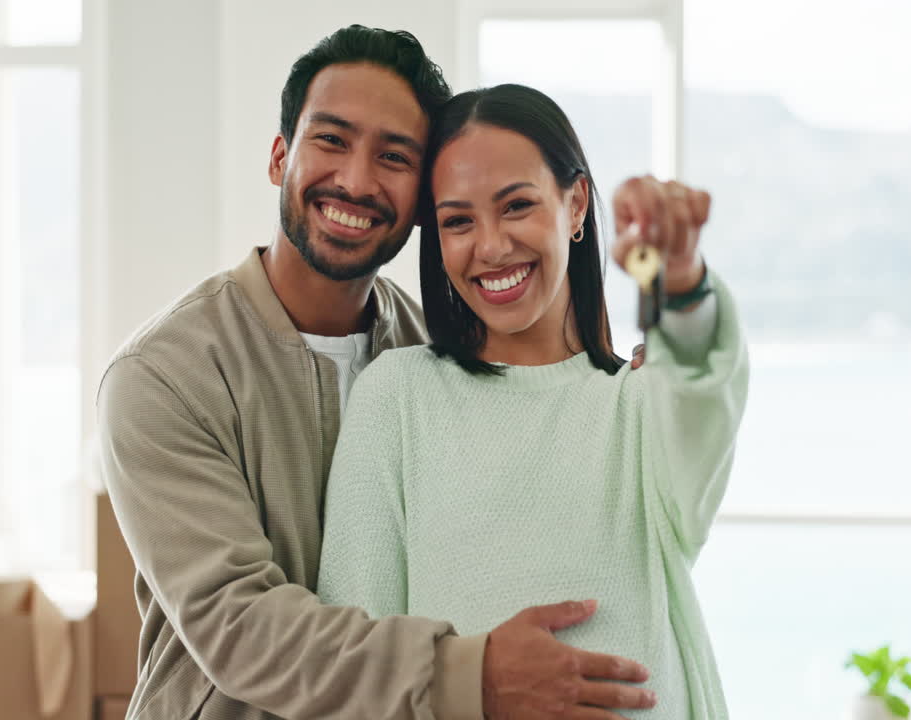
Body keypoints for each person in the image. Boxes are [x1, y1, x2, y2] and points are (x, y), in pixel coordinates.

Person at [99, 26, 661, 720]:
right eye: (331, 141)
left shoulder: (431, 356)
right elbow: (235, 624)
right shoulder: (163, 376)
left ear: (425, 198)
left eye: (394, 157)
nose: (357, 181)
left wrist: (636, 387)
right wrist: (470, 675)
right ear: (280, 157)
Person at [317, 84, 750, 720]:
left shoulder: (639, 405)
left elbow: (701, 377)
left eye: (516, 206)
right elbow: (355, 667)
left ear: (575, 205)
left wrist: (679, 279)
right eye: (458, 221)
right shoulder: (398, 399)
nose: (490, 247)